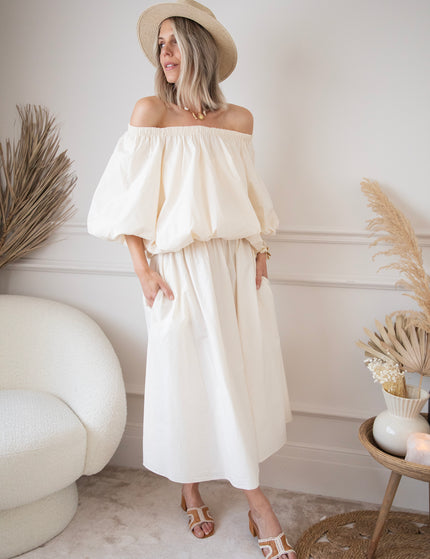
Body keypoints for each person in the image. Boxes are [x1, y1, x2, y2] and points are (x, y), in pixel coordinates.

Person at [87, 1, 295, 557]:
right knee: (189, 378)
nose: (166, 53)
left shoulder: (239, 121)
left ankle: (209, 493)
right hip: (177, 270)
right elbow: (128, 201)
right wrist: (143, 270)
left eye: (175, 40)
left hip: (235, 266)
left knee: (235, 379)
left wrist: (260, 247)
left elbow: (247, 193)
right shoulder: (151, 113)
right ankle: (238, 500)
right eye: (160, 44)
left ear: (200, 47)